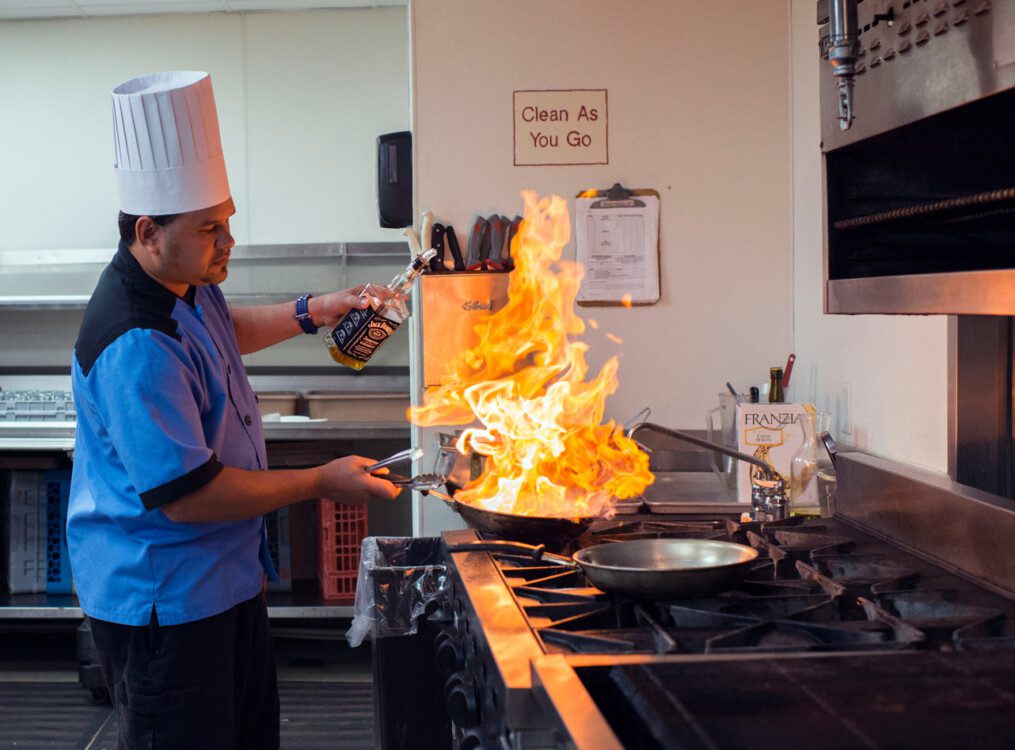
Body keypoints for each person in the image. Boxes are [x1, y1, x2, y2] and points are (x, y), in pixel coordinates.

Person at [67, 70, 401, 750]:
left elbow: (222, 334)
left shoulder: (181, 283)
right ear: (149, 230)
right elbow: (187, 498)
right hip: (166, 599)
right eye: (211, 227)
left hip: (223, 579)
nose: (229, 241)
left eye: (229, 222)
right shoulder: (136, 339)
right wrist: (318, 482)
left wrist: (312, 311)